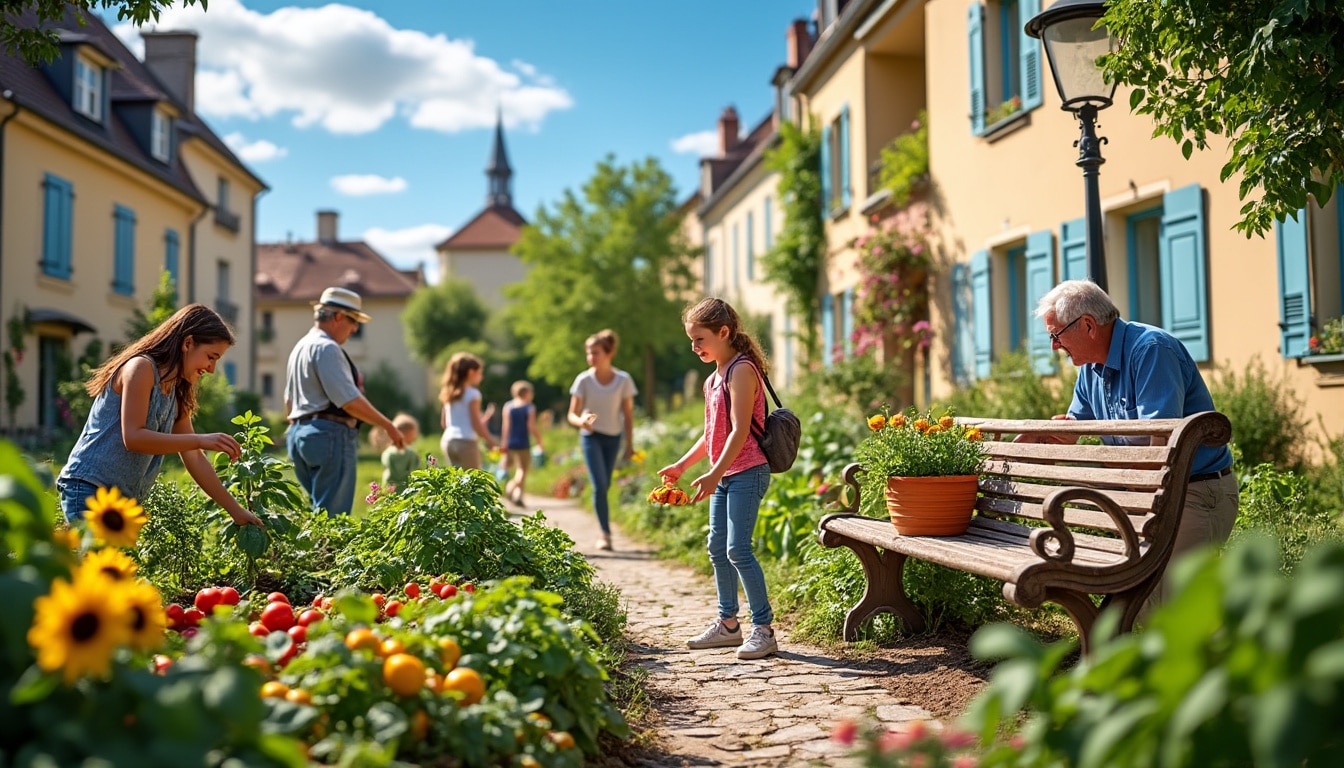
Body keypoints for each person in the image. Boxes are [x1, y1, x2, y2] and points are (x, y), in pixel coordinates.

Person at [1019, 280, 1239, 589]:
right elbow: (1075, 426)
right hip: (1149, 495)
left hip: (1194, 492)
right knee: (1138, 599)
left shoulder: (1151, 350)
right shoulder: (1090, 368)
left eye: (1056, 335)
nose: (1055, 346)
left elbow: (1160, 447)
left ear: (1088, 326)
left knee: (1172, 603)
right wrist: (1047, 434)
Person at [56, 304, 264, 528]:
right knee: (94, 562)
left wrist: (236, 511)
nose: (212, 369)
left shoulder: (177, 388)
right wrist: (201, 439)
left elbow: (194, 457)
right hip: (89, 488)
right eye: (211, 357)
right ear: (187, 343)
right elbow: (134, 437)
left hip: (121, 503)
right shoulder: (141, 368)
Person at [659, 299, 777, 660]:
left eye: (700, 339)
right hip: (725, 474)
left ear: (724, 333)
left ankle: (764, 629)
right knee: (716, 547)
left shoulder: (741, 370)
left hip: (747, 471)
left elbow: (740, 430)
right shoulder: (714, 378)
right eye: (691, 341)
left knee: (737, 549)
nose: (694, 348)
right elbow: (711, 431)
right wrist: (682, 466)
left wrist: (714, 472)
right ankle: (728, 625)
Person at [285, 287, 405, 515]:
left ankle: (313, 552)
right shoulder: (327, 348)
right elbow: (349, 400)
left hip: (298, 435)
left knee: (317, 513)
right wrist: (387, 425)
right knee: (333, 517)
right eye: (353, 321)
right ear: (338, 317)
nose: (355, 328)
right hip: (328, 435)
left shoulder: (300, 347)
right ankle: (328, 553)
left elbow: (288, 402)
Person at [568, 329, 637, 552]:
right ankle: (605, 533)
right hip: (591, 437)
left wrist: (630, 445)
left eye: (595, 352)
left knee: (605, 484)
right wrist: (582, 422)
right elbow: (572, 414)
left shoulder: (623, 380)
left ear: (609, 353)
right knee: (599, 485)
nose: (591, 357)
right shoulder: (584, 380)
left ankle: (604, 527)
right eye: (588, 352)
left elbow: (628, 414)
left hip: (613, 437)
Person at [439, 352, 498, 469]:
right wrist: (490, 441)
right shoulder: (473, 394)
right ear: (471, 372)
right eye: (480, 373)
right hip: (466, 442)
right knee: (473, 481)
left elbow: (444, 423)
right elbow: (476, 423)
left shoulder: (449, 393)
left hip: (448, 441)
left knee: (456, 481)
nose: (481, 377)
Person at [501, 380, 544, 507]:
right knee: (522, 471)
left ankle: (518, 496)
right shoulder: (529, 407)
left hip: (510, 443)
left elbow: (506, 427)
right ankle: (510, 488)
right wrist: (539, 439)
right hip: (523, 443)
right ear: (526, 393)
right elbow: (530, 426)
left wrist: (504, 443)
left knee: (513, 468)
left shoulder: (508, 406)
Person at [379, 413, 421, 490]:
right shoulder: (410, 454)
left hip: (388, 491)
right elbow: (414, 472)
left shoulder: (386, 453)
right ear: (405, 434)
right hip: (406, 492)